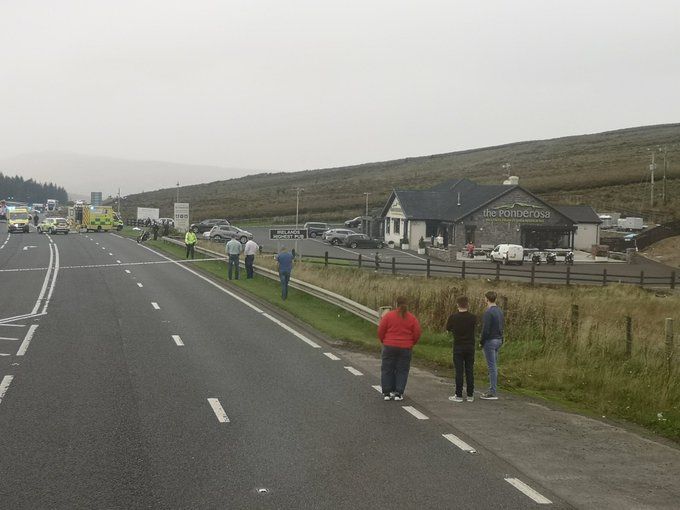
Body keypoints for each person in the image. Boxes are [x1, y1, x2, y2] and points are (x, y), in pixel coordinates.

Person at [377, 296, 421, 401]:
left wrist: (384, 341)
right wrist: (411, 343)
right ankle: (398, 392)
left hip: (389, 345)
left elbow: (381, 330)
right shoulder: (411, 318)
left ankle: (387, 392)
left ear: (396, 304)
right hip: (405, 347)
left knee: (387, 368)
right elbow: (417, 333)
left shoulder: (389, 316)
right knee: (402, 370)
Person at [446, 296, 477, 402]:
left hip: (458, 346)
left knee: (459, 371)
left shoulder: (453, 317)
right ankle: (470, 395)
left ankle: (458, 395)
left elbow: (448, 328)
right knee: (469, 370)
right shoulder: (473, 317)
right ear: (467, 304)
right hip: (470, 346)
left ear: (457, 304)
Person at [480, 290, 504, 400]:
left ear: (487, 299)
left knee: (492, 367)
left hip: (490, 340)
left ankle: (492, 391)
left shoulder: (488, 312)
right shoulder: (499, 311)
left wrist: (481, 341)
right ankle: (492, 389)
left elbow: (486, 330)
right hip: (498, 339)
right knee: (494, 366)